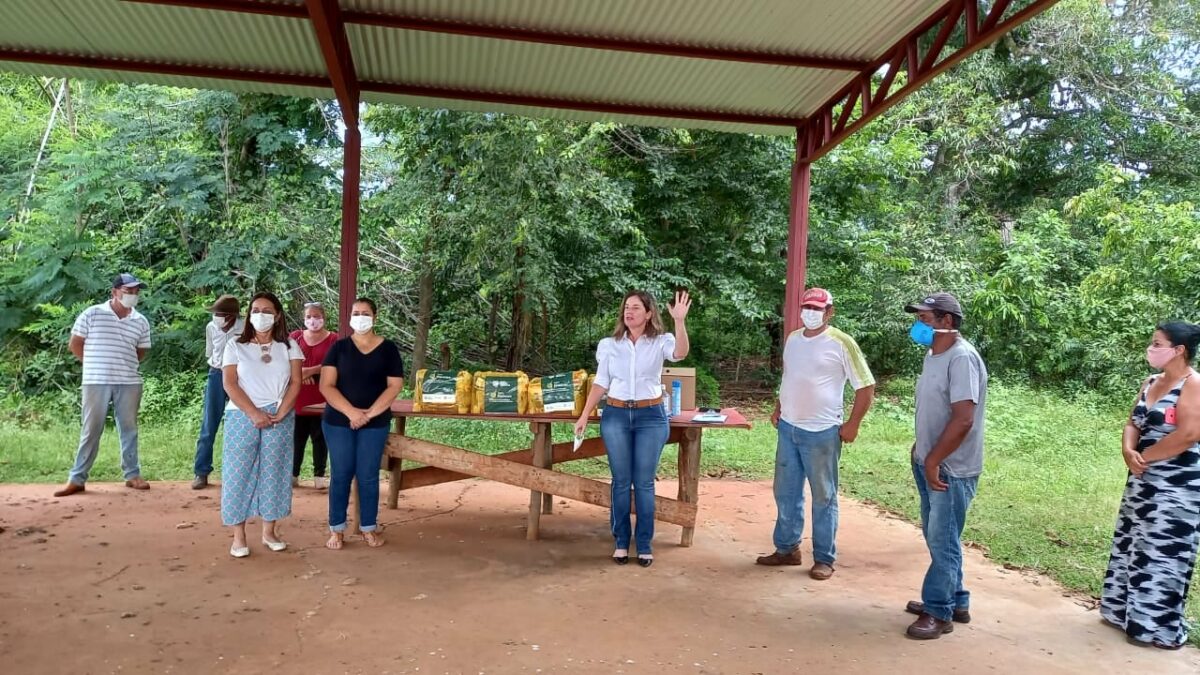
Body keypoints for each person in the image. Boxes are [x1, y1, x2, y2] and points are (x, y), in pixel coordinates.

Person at [758, 288, 875, 580]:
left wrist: (853, 424)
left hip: (822, 431)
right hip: (788, 427)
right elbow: (790, 377)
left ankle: (824, 557)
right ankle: (786, 548)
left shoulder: (841, 343)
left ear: (829, 312)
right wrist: (778, 407)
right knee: (785, 492)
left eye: (817, 308)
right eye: (807, 306)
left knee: (824, 495)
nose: (811, 312)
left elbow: (866, 385)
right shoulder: (793, 339)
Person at [1101, 321, 1200, 650]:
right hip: (1142, 481)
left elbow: (1188, 435)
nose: (1151, 348)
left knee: (1162, 552)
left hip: (1176, 487)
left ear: (1179, 350)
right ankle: (1121, 614)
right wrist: (1129, 450)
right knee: (1133, 546)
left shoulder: (1193, 384)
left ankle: (1152, 627)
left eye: (1157, 343)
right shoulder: (1152, 381)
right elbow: (1133, 421)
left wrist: (1145, 456)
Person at [575, 290, 691, 567]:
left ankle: (645, 543)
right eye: (627, 307)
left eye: (636, 308)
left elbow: (680, 354)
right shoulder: (610, 344)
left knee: (644, 482)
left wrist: (680, 321)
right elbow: (601, 382)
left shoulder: (661, 341)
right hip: (615, 414)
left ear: (649, 314)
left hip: (650, 415)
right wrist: (584, 415)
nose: (629, 312)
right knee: (620, 480)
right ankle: (620, 541)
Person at [900, 292, 988, 640]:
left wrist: (935, 458)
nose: (918, 324)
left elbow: (964, 418)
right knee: (940, 536)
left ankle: (938, 611)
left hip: (951, 467)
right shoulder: (933, 355)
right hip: (929, 459)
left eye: (925, 318)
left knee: (942, 538)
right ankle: (956, 599)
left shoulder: (961, 358)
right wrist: (922, 448)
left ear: (947, 321)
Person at [220, 292, 303, 558]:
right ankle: (238, 536)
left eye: (267, 310)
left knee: (275, 472)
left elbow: (296, 383)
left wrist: (282, 410)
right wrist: (253, 412)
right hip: (241, 414)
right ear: (249, 315)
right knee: (238, 473)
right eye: (256, 310)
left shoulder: (290, 346)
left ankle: (269, 531)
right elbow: (229, 383)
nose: (261, 315)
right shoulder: (235, 345)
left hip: (280, 414)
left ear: (277, 315)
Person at [54, 273, 152, 497]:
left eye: (136, 292)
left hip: (129, 381)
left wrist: (121, 364)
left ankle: (132, 475)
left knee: (129, 429)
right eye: (128, 291)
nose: (133, 295)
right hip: (96, 380)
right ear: (115, 292)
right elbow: (75, 344)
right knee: (91, 429)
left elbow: (141, 352)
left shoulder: (141, 321)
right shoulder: (92, 313)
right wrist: (95, 365)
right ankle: (77, 478)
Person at [319, 298, 405, 550]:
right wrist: (351, 413)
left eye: (365, 313)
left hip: (375, 422)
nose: (360, 317)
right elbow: (326, 385)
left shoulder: (388, 349)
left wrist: (367, 415)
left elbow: (394, 386)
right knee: (341, 473)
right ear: (349, 317)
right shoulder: (339, 348)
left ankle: (368, 527)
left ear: (374, 317)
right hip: (338, 421)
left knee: (368, 476)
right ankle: (337, 529)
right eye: (355, 313)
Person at [192, 295, 243, 489]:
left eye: (220, 314)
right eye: (215, 313)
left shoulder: (245, 328)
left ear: (231, 316)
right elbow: (210, 352)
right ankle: (201, 472)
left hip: (240, 376)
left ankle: (238, 473)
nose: (216, 317)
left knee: (241, 423)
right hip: (216, 373)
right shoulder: (211, 327)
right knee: (209, 424)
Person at [290, 302, 336, 489]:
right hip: (298, 395)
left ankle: (319, 476)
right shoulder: (295, 337)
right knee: (296, 438)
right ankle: (293, 474)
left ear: (324, 317)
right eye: (309, 316)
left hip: (322, 396)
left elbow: (335, 364)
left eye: (316, 316)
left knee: (320, 437)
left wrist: (311, 371)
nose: (312, 320)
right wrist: (301, 374)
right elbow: (285, 362)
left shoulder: (334, 339)